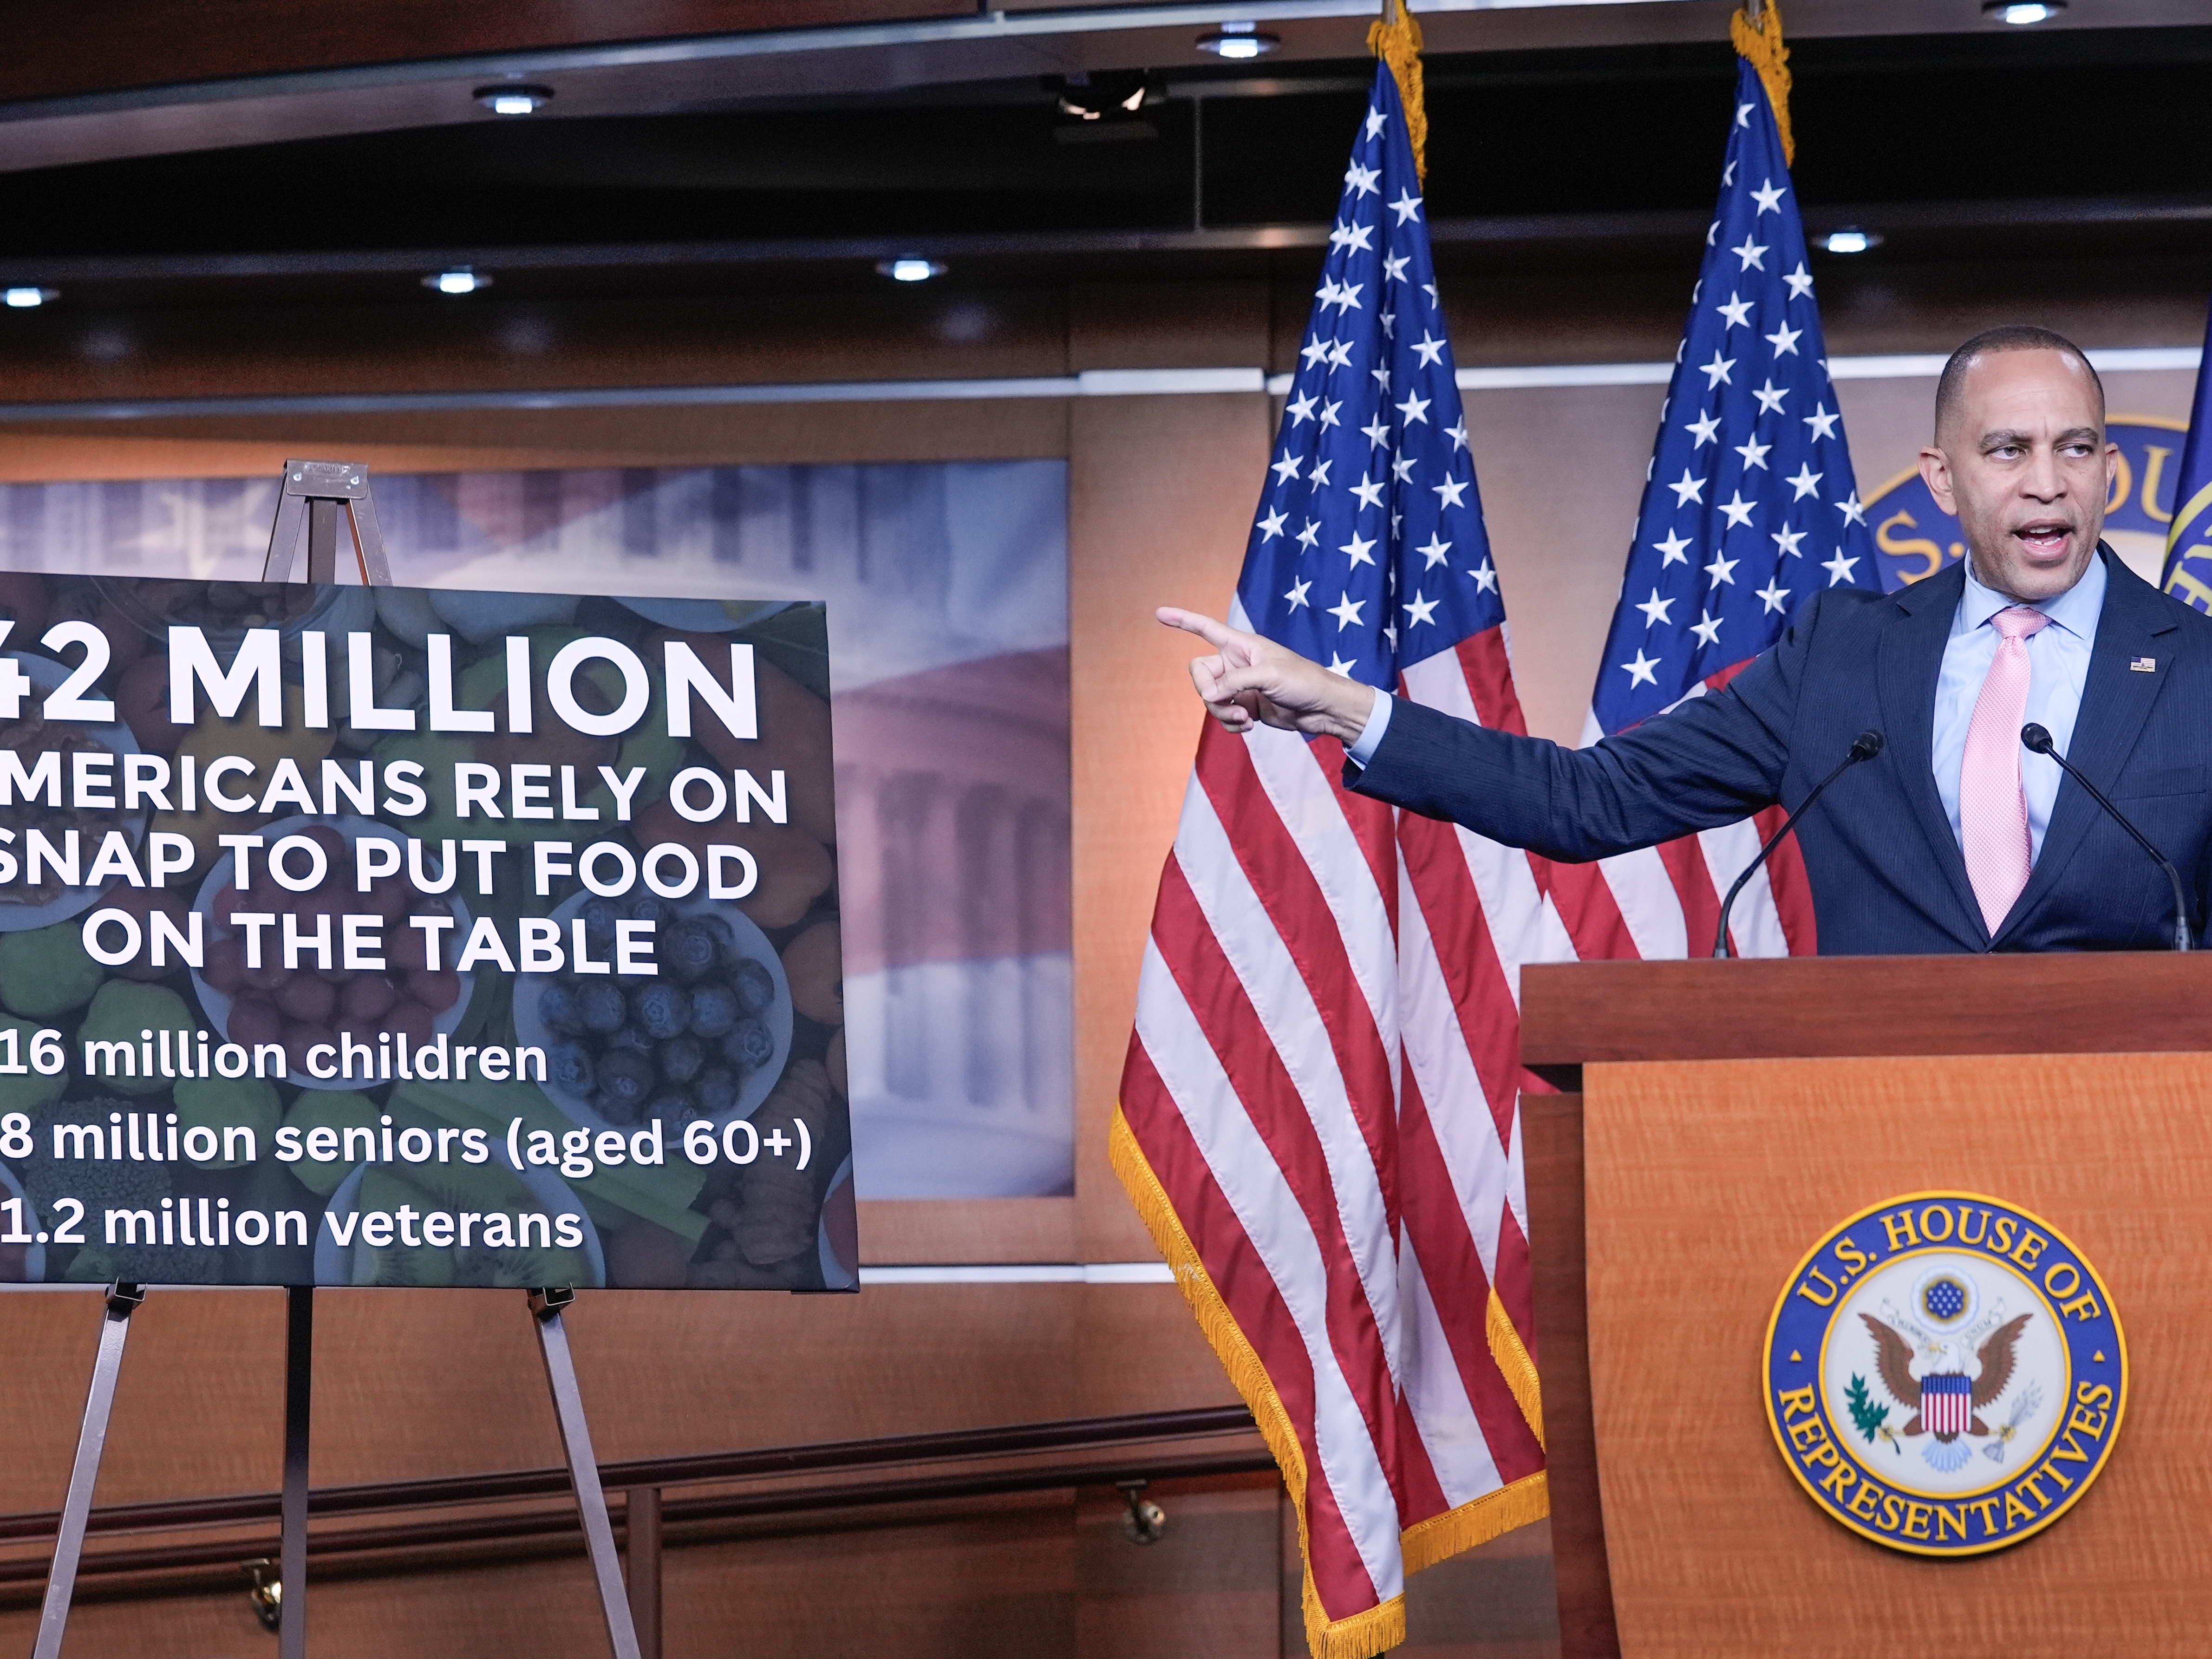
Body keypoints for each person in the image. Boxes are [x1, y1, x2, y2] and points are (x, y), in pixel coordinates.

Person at [1160, 326, 2212, 954]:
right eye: (2008, 449)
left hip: (2135, 1142)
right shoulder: (1844, 658)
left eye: (2076, 448)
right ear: (1942, 479)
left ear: (2108, 472)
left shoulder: (2197, 670)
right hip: (1887, 1144)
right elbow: (1588, 799)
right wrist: (1345, 705)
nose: (2047, 481)